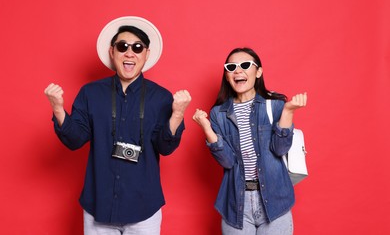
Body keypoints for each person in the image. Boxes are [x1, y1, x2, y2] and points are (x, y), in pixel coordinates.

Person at [44, 16, 191, 235]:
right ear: (112, 52)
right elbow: (75, 140)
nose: (129, 53)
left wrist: (177, 114)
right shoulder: (90, 93)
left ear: (146, 54)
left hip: (144, 208)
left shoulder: (160, 97)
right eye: (122, 46)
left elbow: (165, 148)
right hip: (98, 205)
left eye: (138, 48)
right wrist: (58, 109)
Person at [193, 47, 307, 234]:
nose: (238, 71)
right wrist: (206, 127)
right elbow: (227, 161)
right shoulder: (218, 113)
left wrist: (288, 112)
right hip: (236, 201)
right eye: (231, 67)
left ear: (258, 72)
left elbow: (280, 149)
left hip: (274, 199)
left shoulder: (276, 105)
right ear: (227, 75)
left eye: (245, 65)